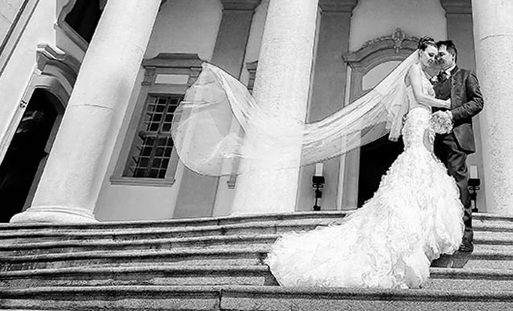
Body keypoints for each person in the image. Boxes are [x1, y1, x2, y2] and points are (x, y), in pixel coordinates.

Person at [173, 37, 466, 289]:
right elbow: (419, 97)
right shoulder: (414, 70)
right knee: (413, 175)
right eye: (429, 54)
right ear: (419, 53)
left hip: (423, 126)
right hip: (417, 123)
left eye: (435, 55)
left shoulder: (428, 74)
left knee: (418, 181)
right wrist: (448, 105)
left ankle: (419, 236)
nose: (432, 58)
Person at [430, 39, 484, 252]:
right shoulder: (432, 80)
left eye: (441, 54)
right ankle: (440, 235)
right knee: (436, 186)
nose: (438, 58)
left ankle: (465, 235)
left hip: (456, 137)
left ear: (453, 55)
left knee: (459, 184)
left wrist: (452, 115)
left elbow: (478, 102)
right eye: (436, 55)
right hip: (434, 140)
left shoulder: (466, 75)